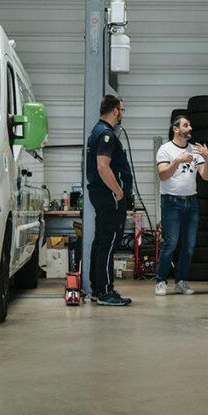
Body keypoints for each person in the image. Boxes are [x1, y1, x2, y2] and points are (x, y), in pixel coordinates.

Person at [85, 94, 134, 306]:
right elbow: (102, 167)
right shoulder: (106, 134)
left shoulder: (97, 132)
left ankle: (97, 288)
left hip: (102, 195)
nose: (122, 114)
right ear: (115, 110)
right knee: (109, 242)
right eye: (121, 110)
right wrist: (119, 192)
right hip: (109, 196)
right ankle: (105, 292)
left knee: (101, 241)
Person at [153, 115, 208, 296]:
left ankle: (181, 281)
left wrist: (207, 159)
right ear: (175, 129)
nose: (190, 128)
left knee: (189, 245)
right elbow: (163, 174)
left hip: (191, 202)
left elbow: (206, 176)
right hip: (171, 202)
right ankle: (161, 281)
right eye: (186, 125)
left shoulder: (195, 150)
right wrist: (177, 161)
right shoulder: (165, 150)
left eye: (190, 125)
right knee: (170, 243)